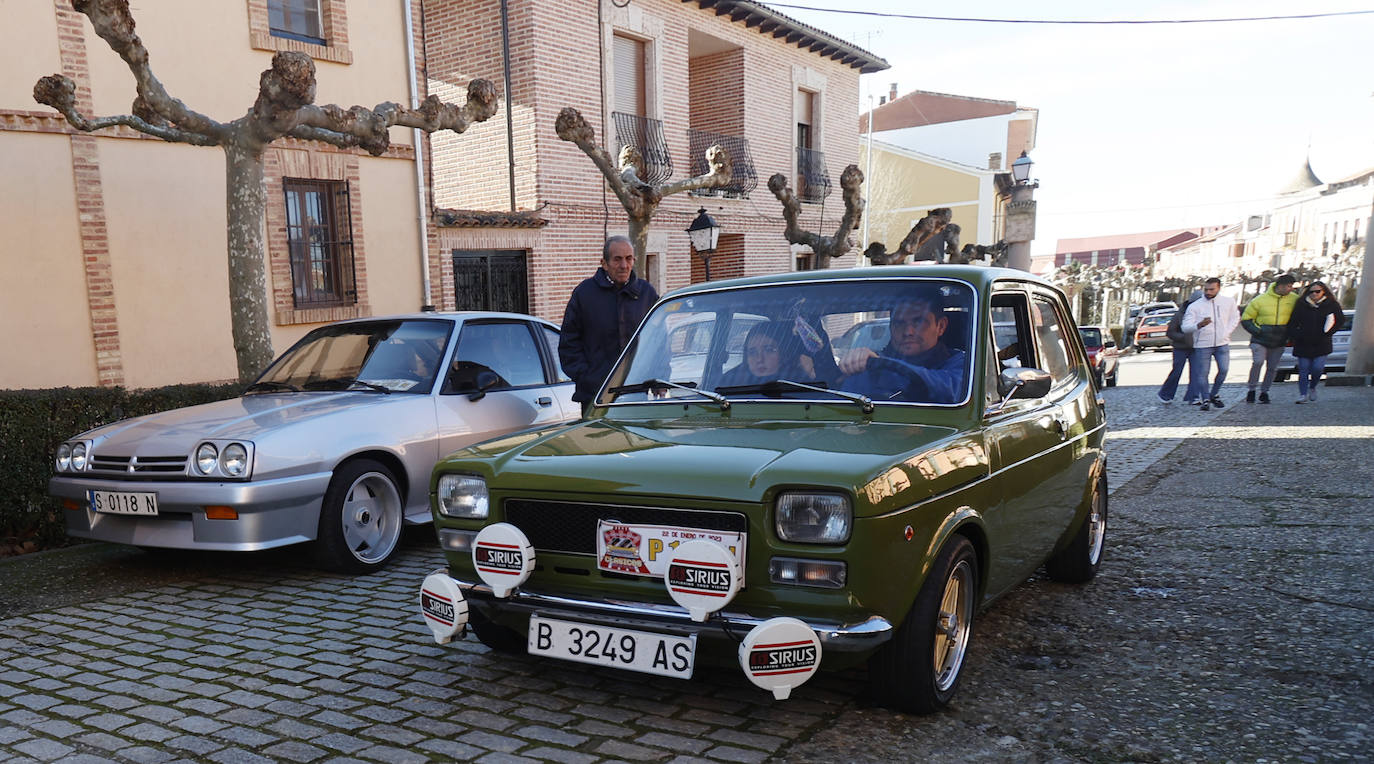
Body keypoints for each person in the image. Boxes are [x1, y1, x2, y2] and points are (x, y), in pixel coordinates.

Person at [559, 236, 660, 414]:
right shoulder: (584, 294)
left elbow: (660, 342)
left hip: (638, 395)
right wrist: (589, 378)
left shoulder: (647, 294)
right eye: (617, 259)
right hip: (596, 398)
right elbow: (569, 344)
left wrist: (659, 378)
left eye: (629, 258)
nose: (624, 265)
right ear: (604, 263)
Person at [837, 288, 966, 403]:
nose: (908, 332)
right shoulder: (869, 368)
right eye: (899, 323)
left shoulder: (961, 363)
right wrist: (857, 362)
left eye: (919, 321)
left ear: (941, 326)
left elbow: (951, 392)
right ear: (891, 327)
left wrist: (882, 366)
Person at [1181, 277, 1239, 411]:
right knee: (1203, 373)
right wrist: (1199, 325)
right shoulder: (1195, 306)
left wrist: (1227, 332)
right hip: (1203, 343)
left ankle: (1214, 394)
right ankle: (1205, 398)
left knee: (1224, 370)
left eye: (1211, 289)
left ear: (1219, 288)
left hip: (1222, 342)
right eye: (1206, 289)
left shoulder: (1228, 302)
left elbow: (1234, 318)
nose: (1208, 292)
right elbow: (1185, 327)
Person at [1239, 273, 1297, 404]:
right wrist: (1258, 331)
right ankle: (1252, 389)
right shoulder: (1260, 300)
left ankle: (1264, 392)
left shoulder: (1294, 299)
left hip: (1279, 340)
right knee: (1258, 362)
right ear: (1280, 286)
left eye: (1291, 286)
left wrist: (1289, 334)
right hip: (1260, 339)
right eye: (1288, 286)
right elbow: (1246, 319)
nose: (1290, 288)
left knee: (1272, 368)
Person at [1286, 281, 1343, 404]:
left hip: (1322, 342)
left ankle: (1312, 387)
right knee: (1304, 369)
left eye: (1317, 291)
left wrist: (1329, 333)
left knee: (1318, 368)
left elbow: (1340, 320)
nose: (1314, 294)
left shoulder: (1331, 304)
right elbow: (1292, 323)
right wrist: (1297, 335)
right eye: (1312, 291)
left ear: (1323, 292)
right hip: (1303, 342)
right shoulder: (1301, 304)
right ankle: (1302, 394)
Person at [719, 322, 815, 386]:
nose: (759, 359)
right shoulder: (730, 383)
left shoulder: (801, 385)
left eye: (769, 350)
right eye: (752, 352)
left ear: (783, 353)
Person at [1157, 290, 1203, 405]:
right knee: (1177, 371)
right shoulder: (1179, 315)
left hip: (1197, 347)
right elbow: (1170, 332)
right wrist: (1184, 337)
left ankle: (1193, 397)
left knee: (1196, 372)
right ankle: (1165, 394)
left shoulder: (1204, 313)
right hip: (1180, 348)